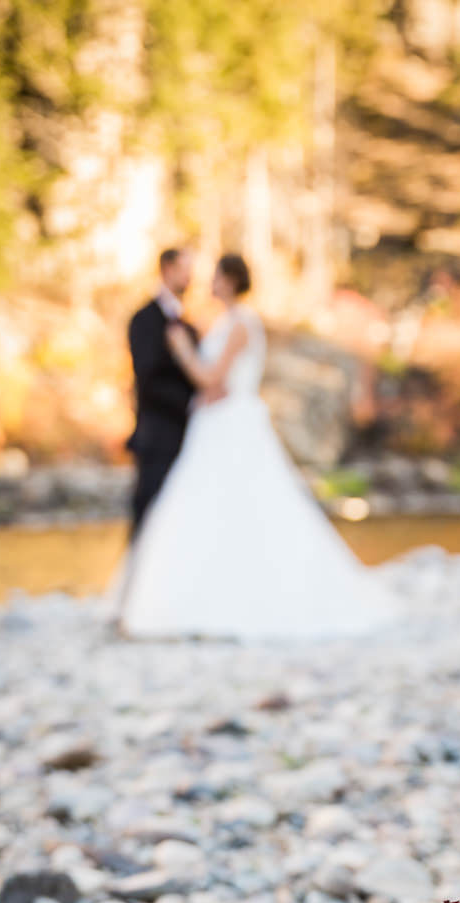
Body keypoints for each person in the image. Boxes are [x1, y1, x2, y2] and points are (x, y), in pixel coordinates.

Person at [120, 253, 396, 640]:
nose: (207, 283)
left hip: (232, 423)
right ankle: (195, 595)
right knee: (210, 509)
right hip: (213, 424)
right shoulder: (218, 323)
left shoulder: (240, 324)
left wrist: (182, 351)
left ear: (231, 280)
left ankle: (244, 596)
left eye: (215, 277)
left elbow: (212, 378)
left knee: (248, 505)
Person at [125, 248, 198, 539]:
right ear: (167, 269)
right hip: (157, 435)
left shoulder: (188, 325)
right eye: (185, 268)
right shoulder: (144, 320)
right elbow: (148, 379)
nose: (190, 276)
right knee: (148, 512)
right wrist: (191, 405)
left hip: (191, 437)